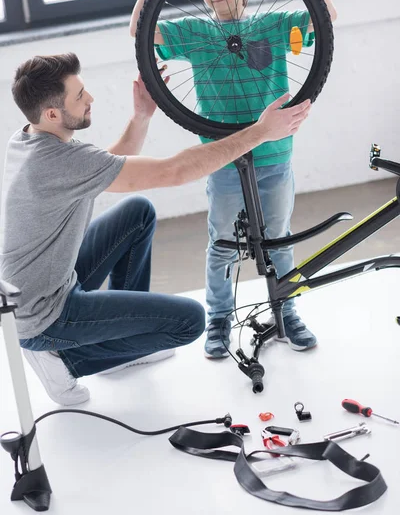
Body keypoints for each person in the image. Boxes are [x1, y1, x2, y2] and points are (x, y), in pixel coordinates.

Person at [0, 52, 310, 406]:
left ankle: (124, 342)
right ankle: (66, 360)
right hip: (44, 317)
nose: (91, 99)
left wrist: (142, 115)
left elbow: (110, 167)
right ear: (52, 113)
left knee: (138, 211)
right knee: (189, 322)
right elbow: (172, 172)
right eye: (79, 96)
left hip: (38, 289)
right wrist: (260, 132)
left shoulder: (28, 138)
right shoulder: (59, 161)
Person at [129, 0, 337, 359]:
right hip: (222, 159)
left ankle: (287, 310)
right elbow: (141, 33)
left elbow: (326, 20)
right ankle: (219, 318)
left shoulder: (275, 26)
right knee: (222, 241)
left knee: (278, 238)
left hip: (274, 157)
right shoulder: (195, 33)